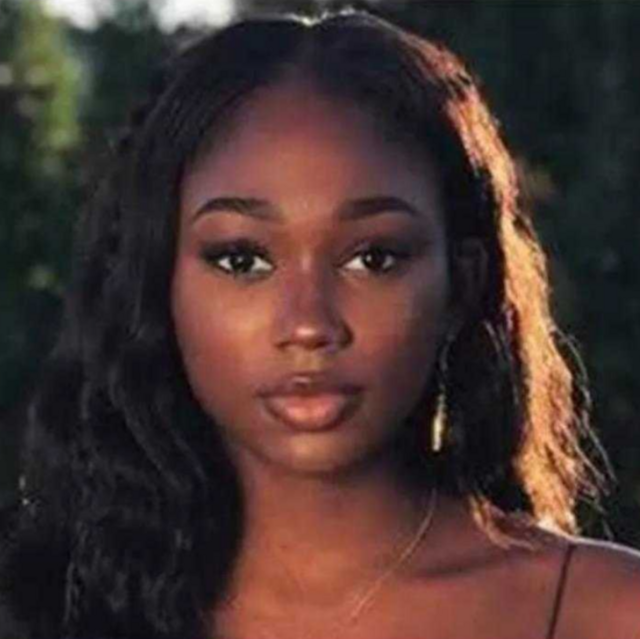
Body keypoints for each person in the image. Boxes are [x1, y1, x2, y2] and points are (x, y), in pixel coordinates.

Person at [1, 8, 639, 639]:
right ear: (157, 282)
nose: (309, 325)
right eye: (242, 260)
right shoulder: (48, 608)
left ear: (460, 284)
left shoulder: (607, 614)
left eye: (374, 258)